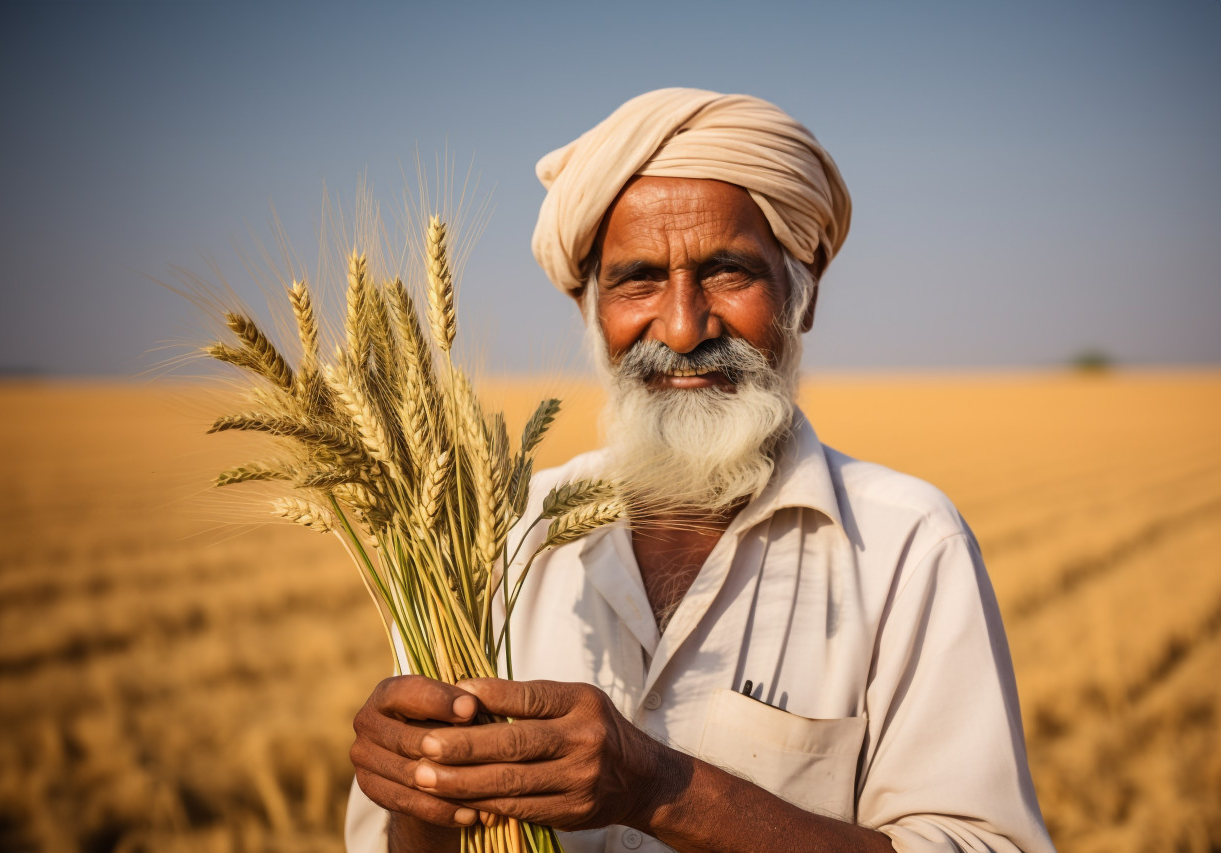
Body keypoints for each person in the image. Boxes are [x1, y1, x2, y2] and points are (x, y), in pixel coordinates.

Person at [345, 88, 1056, 853]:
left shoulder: (907, 543)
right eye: (639, 279)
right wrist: (423, 792)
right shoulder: (486, 543)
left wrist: (661, 787)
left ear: (801, 296)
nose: (683, 327)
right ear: (590, 310)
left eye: (727, 272)